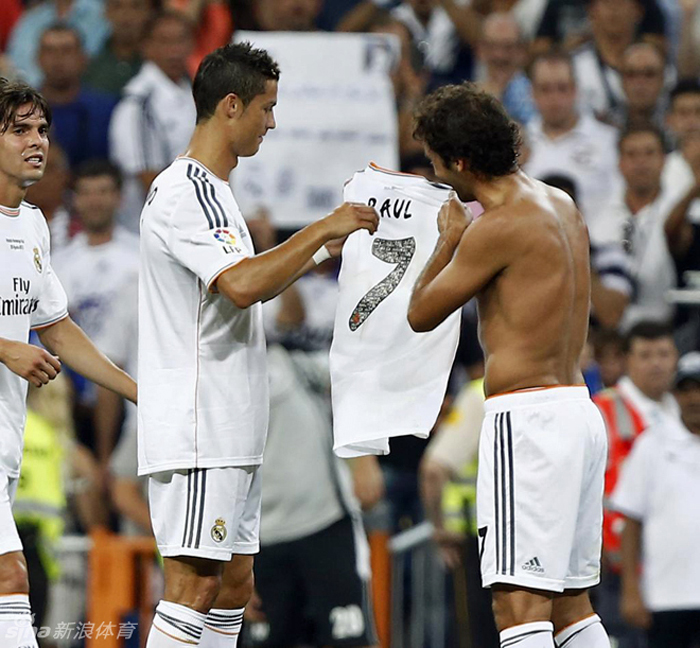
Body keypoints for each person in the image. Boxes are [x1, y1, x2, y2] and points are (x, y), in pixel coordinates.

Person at [138, 42, 378, 648]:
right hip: (199, 423)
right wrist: (322, 226)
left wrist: (325, 248)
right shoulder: (184, 191)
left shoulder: (215, 190)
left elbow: (250, 279)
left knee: (234, 583)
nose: (273, 122)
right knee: (193, 585)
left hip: (231, 424)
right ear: (230, 105)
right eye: (266, 108)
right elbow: (243, 285)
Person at [408, 83, 610, 648]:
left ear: (461, 161)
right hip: (576, 413)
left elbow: (421, 313)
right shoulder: (560, 203)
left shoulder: (495, 227)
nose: (435, 173)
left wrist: (447, 241)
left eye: (436, 162)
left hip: (529, 424)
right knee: (571, 605)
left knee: (516, 607)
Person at [0, 78, 136, 648]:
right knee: (12, 581)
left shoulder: (31, 226)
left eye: (42, 130)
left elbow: (57, 328)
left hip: (4, 442)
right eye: (20, 130)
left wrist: (141, 391)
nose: (38, 142)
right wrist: (3, 346)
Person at [592, 322, 679, 647]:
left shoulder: (683, 408)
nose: (656, 363)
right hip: (618, 563)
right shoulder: (602, 410)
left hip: (675, 563)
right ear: (627, 360)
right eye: (645, 355)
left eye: (663, 353)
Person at [612, 351, 700, 648]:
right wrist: (630, 591)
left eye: (699, 388)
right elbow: (631, 522)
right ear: (674, 394)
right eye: (686, 389)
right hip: (665, 597)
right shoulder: (650, 445)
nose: (694, 398)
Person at [109, 10, 196, 232]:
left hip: (189, 220)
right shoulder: (139, 101)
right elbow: (148, 177)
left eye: (180, 40)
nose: (175, 50)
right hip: (149, 232)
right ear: (146, 47)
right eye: (165, 41)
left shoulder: (193, 94)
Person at [590, 125, 676, 331]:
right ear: (619, 163)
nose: (641, 162)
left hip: (669, 327)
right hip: (608, 333)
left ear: (664, 160)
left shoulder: (680, 212)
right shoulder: (597, 216)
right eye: (631, 154)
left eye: (649, 153)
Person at [525, 51, 622, 230]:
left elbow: (620, 201)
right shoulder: (519, 144)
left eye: (562, 88)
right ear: (532, 93)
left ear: (575, 90)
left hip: (594, 247)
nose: (554, 98)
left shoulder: (607, 141)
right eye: (545, 89)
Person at [37, 23, 118, 168]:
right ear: (38, 58)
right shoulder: (21, 111)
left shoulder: (107, 110)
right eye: (50, 51)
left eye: (66, 50)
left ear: (83, 58)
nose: (58, 59)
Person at [83, 0, 152, 97]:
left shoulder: (159, 65)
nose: (126, 14)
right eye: (117, 6)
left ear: (148, 12)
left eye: (135, 6)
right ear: (106, 12)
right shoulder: (89, 66)